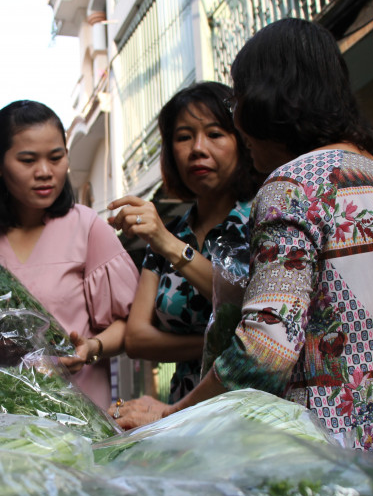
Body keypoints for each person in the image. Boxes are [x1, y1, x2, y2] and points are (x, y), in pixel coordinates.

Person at [114, 18, 373, 496]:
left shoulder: (291, 186)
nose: (237, 120)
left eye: (237, 102)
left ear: (269, 101)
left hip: (332, 466)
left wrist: (174, 414)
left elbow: (265, 351)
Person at [0, 100, 139, 409]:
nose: (45, 172)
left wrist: (91, 348)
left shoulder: (87, 227)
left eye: (56, 158)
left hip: (79, 417)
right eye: (28, 160)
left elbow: (130, 325)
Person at [108, 82, 261, 402]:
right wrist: (220, 344)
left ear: (242, 141)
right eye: (183, 137)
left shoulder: (263, 217)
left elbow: (248, 305)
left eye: (215, 133)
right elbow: (136, 339)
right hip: (184, 410)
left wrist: (169, 244)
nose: (197, 148)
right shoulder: (170, 232)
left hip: (249, 403)